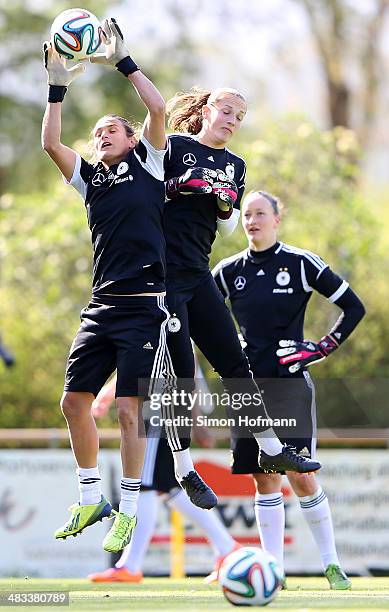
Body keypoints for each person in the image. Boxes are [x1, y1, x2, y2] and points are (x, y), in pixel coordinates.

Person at [42, 18, 170, 553]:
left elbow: (159, 109)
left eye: (110, 130)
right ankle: (92, 495)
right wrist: (56, 86)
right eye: (96, 134)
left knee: (128, 410)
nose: (101, 136)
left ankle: (132, 508)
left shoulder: (151, 164)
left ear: (132, 137)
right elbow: (51, 142)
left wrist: (123, 61)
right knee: (74, 403)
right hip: (102, 307)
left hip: (145, 308)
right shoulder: (91, 177)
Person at [160, 87, 321, 509]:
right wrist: (182, 185)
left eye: (240, 116)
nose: (232, 119)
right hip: (163, 280)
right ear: (207, 110)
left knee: (234, 359)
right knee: (179, 380)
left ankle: (271, 446)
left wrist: (223, 203)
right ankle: (184, 470)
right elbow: (147, 194)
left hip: (197, 276)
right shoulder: (174, 145)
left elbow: (226, 228)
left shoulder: (235, 164)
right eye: (227, 110)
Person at [212, 190, 365, 589]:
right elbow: (199, 312)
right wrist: (227, 347)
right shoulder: (228, 271)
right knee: (264, 477)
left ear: (277, 219)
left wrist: (319, 348)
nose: (252, 220)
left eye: (261, 213)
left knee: (300, 477)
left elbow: (354, 306)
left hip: (289, 386)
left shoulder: (300, 263)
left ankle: (332, 564)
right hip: (246, 388)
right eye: (247, 214)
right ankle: (272, 572)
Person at [87, 367, 240, 583]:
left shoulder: (172, 334)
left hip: (159, 413)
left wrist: (196, 420)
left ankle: (130, 566)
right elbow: (138, 357)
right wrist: (109, 391)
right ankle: (227, 548)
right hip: (159, 409)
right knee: (171, 488)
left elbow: (186, 365)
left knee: (144, 484)